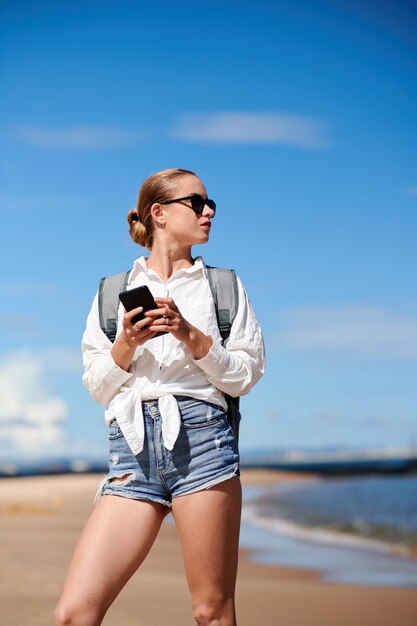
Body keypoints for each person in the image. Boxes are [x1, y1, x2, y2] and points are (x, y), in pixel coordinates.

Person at [55, 168, 265, 626]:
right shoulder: (112, 292)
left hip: (203, 445)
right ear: (160, 214)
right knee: (73, 614)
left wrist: (190, 334)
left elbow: (246, 375)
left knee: (211, 612)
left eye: (211, 204)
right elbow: (96, 386)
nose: (209, 212)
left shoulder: (223, 286)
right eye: (197, 203)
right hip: (131, 454)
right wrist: (126, 343)